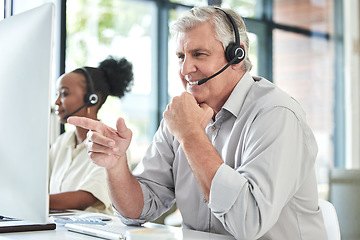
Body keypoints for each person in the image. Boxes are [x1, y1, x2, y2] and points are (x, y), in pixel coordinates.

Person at [68, 6, 327, 239]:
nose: (185, 69)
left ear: (237, 56)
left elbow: (248, 223)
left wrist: (190, 135)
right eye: (181, 56)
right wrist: (116, 165)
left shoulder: (276, 114)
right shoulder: (180, 117)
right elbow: (137, 211)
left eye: (199, 54)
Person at [49, 56, 133, 214]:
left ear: (92, 99)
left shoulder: (111, 144)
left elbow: (84, 199)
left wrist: (33, 202)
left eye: (64, 94)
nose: (57, 102)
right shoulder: (62, 142)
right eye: (57, 94)